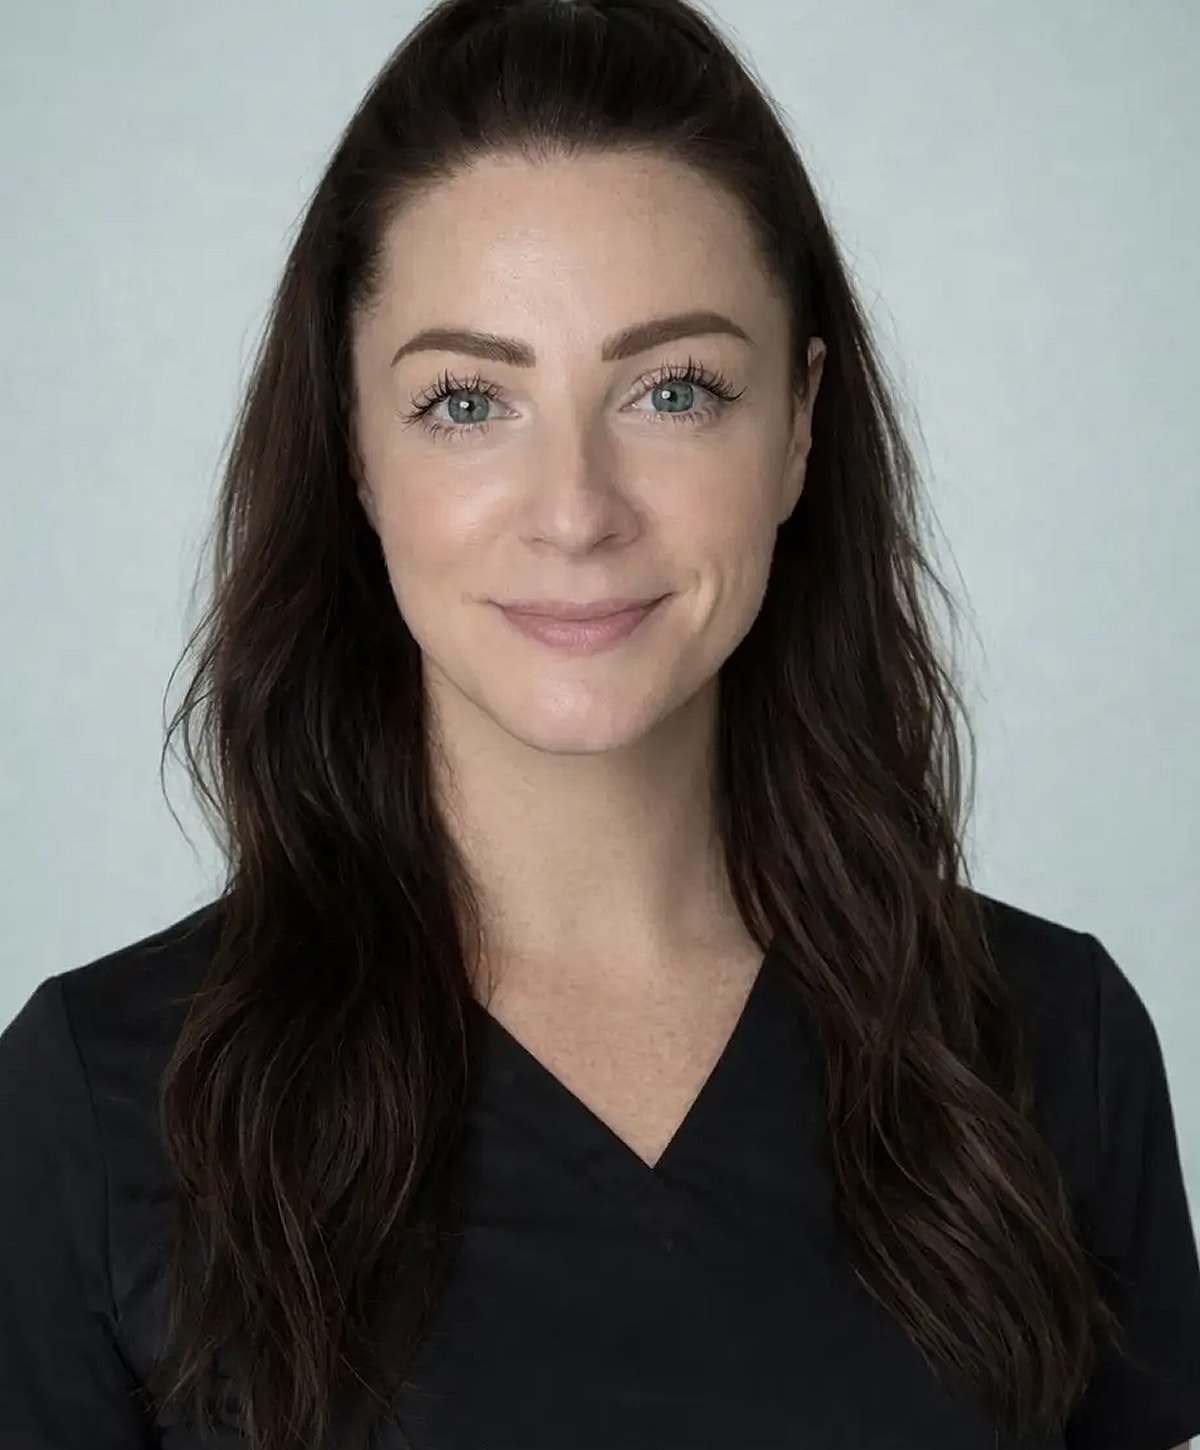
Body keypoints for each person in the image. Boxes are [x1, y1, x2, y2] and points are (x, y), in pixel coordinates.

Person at [2, 0, 1199, 1447]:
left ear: (801, 424)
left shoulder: (1051, 1048)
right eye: (465, 402)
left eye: (673, 389)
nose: (576, 510)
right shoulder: (101, 1100)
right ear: (354, 448)